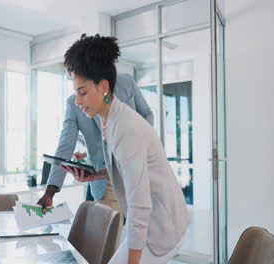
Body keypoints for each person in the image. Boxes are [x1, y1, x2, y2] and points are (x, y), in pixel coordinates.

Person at [61, 34, 190, 264]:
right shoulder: (109, 119)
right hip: (149, 218)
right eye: (76, 93)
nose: (78, 102)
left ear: (104, 87)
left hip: (162, 225)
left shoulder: (125, 128)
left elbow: (140, 204)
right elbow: (126, 170)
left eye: (82, 92)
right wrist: (96, 175)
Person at [37, 72, 154, 215]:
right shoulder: (73, 105)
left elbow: (147, 114)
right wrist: (50, 192)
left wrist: (137, 147)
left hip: (137, 173)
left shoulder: (126, 81)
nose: (78, 100)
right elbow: (65, 146)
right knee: (111, 234)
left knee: (139, 229)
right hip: (105, 181)